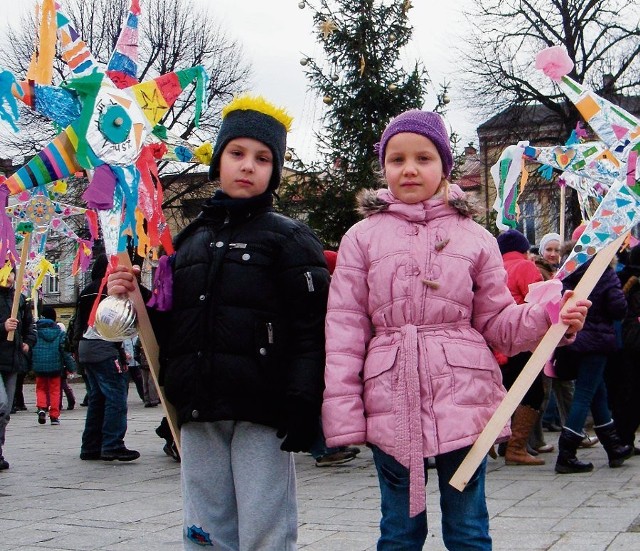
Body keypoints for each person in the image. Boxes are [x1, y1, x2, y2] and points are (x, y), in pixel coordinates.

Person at [321, 109, 590, 550]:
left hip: (464, 396)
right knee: (399, 531)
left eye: (423, 158)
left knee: (468, 529)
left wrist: (547, 318)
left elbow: (498, 324)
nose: (409, 168)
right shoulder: (360, 238)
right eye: (397, 158)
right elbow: (345, 333)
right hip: (389, 396)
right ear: (384, 167)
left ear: (444, 167)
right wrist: (345, 416)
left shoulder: (474, 237)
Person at [108, 94, 330, 550]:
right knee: (205, 528)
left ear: (275, 170)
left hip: (262, 407)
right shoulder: (189, 241)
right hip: (199, 403)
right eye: (237, 153)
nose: (247, 166)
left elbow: (312, 329)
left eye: (262, 158)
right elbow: (173, 322)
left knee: (264, 524)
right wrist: (139, 300)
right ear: (219, 160)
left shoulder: (290, 238)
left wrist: (305, 398)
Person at [554, 225, 630, 474]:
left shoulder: (567, 270)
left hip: (572, 339)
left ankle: (613, 446)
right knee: (586, 394)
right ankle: (567, 452)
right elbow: (618, 308)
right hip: (597, 340)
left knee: (598, 393)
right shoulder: (603, 271)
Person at [75, 254, 139, 462]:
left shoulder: (86, 290)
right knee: (115, 396)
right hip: (103, 346)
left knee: (97, 397)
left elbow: (78, 323)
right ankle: (112, 444)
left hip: (86, 345)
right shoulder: (110, 289)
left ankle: (91, 446)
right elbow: (116, 324)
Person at [496, 229, 549, 465]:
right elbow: (540, 300)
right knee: (533, 392)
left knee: (506, 392)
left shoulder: (494, 269)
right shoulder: (525, 267)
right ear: (524, 249)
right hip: (522, 338)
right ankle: (515, 448)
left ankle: (500, 443)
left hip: (497, 340)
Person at [0, 267, 37, 470]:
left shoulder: (19, 300)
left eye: (11, 272)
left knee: (5, 414)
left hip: (12, 360)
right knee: (1, 404)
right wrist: (3, 326)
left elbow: (30, 326)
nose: (8, 277)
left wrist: (28, 343)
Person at [607, 244, 640, 454]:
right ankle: (623, 439)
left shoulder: (621, 277)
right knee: (631, 393)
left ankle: (623, 438)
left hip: (619, 344)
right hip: (631, 344)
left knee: (624, 393)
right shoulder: (633, 281)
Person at [32, 306, 77, 425]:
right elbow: (65, 352)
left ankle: (42, 408)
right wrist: (71, 367)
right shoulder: (60, 332)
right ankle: (54, 416)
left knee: (40, 388)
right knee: (55, 390)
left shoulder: (35, 332)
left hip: (39, 366)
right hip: (55, 366)